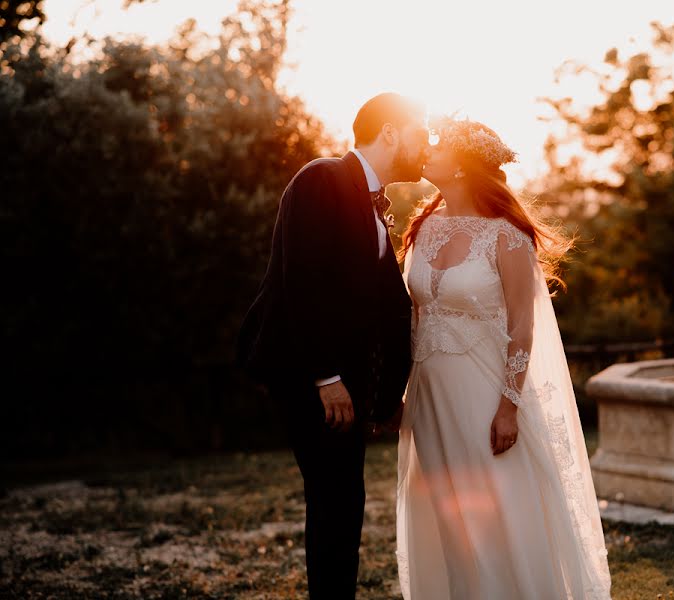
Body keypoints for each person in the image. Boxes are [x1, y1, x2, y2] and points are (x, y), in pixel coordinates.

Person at [395, 118, 613, 599]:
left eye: (441, 146)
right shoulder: (424, 227)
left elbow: (522, 325)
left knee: (497, 511)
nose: (428, 149)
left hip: (485, 392)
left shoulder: (507, 235)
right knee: (447, 513)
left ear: (463, 168)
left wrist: (509, 405)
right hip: (430, 395)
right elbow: (412, 316)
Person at [236, 92, 430, 599]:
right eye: (420, 132)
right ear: (390, 132)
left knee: (343, 502)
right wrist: (326, 379)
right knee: (335, 503)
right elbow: (300, 283)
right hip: (308, 376)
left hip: (343, 384)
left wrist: (386, 396)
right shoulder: (321, 178)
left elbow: (386, 308)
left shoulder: (371, 202)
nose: (425, 145)